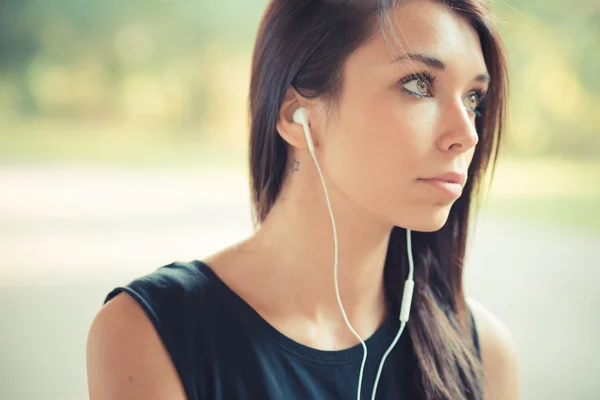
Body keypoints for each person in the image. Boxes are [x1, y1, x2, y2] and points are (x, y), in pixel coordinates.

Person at [86, 0, 519, 399]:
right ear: (296, 113)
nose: (467, 134)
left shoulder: (482, 354)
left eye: (473, 99)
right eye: (419, 84)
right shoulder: (152, 334)